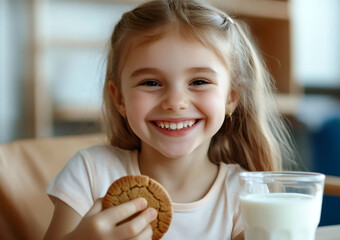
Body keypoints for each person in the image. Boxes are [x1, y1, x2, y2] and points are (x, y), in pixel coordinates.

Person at [44, 0, 293, 239]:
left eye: (199, 82)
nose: (175, 102)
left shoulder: (246, 193)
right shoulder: (90, 173)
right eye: (150, 83)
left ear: (231, 97)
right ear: (119, 98)